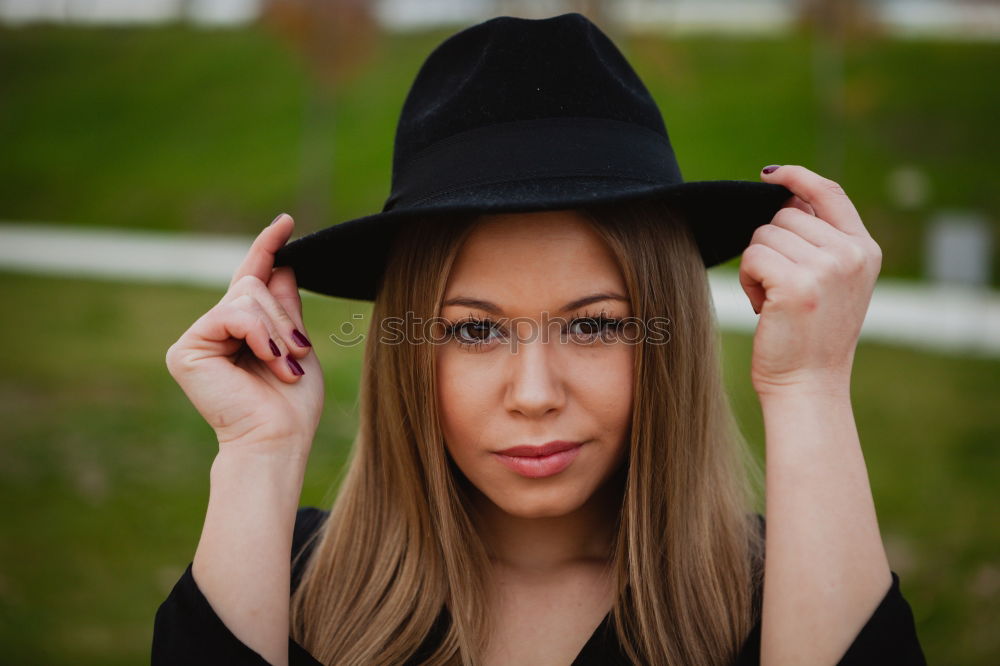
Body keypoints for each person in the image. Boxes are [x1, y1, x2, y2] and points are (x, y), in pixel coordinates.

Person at [152, 12, 925, 666]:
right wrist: (258, 455)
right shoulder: (280, 583)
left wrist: (811, 389)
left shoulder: (786, 594)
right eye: (474, 330)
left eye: (594, 324)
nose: (533, 396)